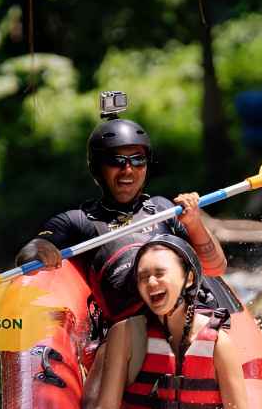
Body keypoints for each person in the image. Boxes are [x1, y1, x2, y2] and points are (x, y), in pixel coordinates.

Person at [53, 235, 262, 409]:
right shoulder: (126, 333)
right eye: (143, 277)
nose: (151, 283)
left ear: (188, 279)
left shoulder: (218, 344)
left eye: (159, 274)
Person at [14, 110, 227, 325]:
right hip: (128, 329)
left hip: (182, 318)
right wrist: (40, 251)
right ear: (98, 168)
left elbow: (216, 267)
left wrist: (193, 222)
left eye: (138, 160)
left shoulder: (164, 209)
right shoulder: (77, 221)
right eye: (116, 161)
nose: (128, 170)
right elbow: (29, 252)